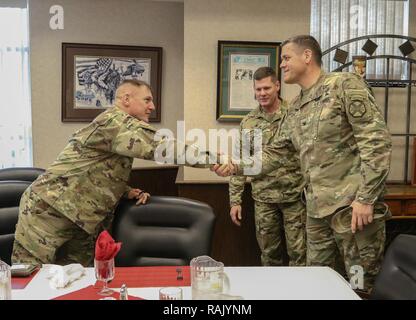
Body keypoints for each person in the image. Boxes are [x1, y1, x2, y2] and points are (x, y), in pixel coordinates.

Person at [214, 35, 392, 292]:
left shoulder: (344, 85)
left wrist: (366, 198)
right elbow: (275, 154)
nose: (282, 64)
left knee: (359, 283)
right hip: (316, 213)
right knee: (318, 282)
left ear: (307, 56)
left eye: (286, 58)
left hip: (352, 211)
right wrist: (235, 166)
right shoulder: (296, 107)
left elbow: (376, 142)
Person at [12, 79, 213, 267]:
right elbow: (161, 147)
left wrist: (123, 190)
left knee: (78, 278)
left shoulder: (119, 128)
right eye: (147, 100)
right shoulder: (115, 123)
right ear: (126, 99)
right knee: (30, 277)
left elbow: (95, 168)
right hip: (48, 212)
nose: (152, 106)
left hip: (83, 221)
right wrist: (216, 160)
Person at [229, 66, 306, 266]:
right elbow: (241, 162)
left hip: (295, 197)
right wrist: (235, 201)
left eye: (266, 88)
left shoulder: (295, 115)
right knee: (269, 255)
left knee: (300, 255)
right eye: (258, 89)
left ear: (277, 86)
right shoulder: (249, 123)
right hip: (264, 198)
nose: (262, 93)